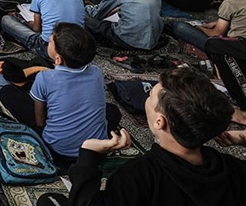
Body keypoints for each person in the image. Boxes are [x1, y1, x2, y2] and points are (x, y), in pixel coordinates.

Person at [68, 67, 246, 206]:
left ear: (160, 122)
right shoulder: (232, 169)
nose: (147, 95)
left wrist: (88, 156)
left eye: (150, 95)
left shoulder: (139, 175)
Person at [1, 23, 121, 163]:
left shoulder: (45, 77)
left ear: (58, 59)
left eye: (50, 41)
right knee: (112, 110)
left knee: (8, 91)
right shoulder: (97, 72)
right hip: (95, 151)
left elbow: (40, 120)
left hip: (58, 150)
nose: (48, 42)